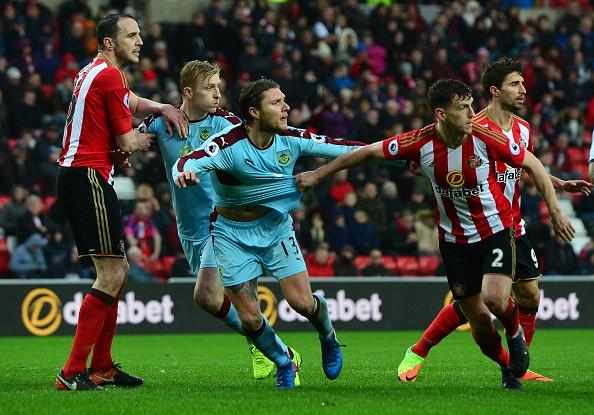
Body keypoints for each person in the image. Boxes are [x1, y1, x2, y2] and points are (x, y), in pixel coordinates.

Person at [296, 78, 575, 390]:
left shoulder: (486, 135)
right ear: (441, 114)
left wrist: (556, 209)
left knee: (496, 299)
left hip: (497, 229)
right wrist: (318, 174)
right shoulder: (420, 142)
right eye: (463, 108)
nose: (473, 113)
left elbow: (532, 164)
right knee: (481, 325)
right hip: (454, 242)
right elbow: (368, 152)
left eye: (472, 105)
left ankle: (514, 333)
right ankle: (508, 368)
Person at [396, 58, 592, 384]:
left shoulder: (522, 129)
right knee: (477, 304)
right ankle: (422, 349)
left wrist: (557, 183)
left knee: (529, 294)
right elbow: (433, 150)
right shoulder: (472, 127)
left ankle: (517, 365)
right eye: (516, 84)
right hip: (476, 227)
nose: (524, 90)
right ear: (495, 91)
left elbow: (521, 169)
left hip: (512, 223)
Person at [173, 78, 368, 389]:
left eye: (284, 100)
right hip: (230, 234)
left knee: (302, 303)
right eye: (276, 103)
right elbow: (186, 161)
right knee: (250, 319)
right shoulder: (228, 144)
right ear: (254, 112)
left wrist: (404, 155)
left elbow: (344, 147)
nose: (286, 107)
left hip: (275, 228)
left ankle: (328, 336)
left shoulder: (292, 138)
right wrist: (184, 172)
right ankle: (283, 361)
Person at [55, 14, 188, 391]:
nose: (141, 41)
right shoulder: (110, 74)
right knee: (111, 274)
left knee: (120, 271)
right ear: (109, 42)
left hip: (83, 174)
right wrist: (162, 132)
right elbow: (129, 142)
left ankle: (102, 366)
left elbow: (126, 101)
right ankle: (72, 372)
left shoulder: (94, 71)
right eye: (132, 35)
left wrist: (160, 106)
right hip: (87, 176)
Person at [139, 60, 278, 380]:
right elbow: (131, 139)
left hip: (226, 220)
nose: (218, 94)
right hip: (189, 228)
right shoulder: (162, 123)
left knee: (225, 292)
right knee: (222, 298)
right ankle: (270, 345)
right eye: (210, 88)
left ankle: (267, 350)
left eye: (219, 86)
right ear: (188, 92)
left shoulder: (227, 123)